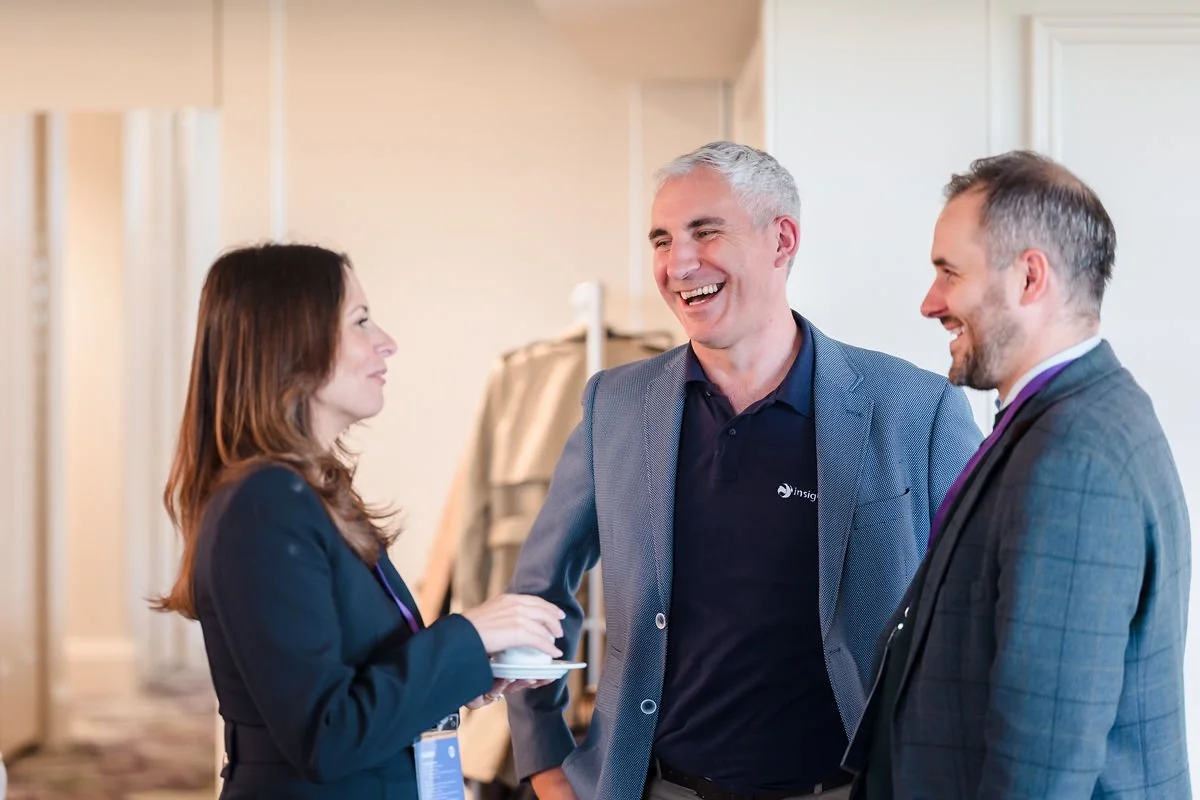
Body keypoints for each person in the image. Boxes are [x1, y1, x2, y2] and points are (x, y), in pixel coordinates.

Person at [505, 141, 983, 800]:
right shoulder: (613, 406)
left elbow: (981, 615)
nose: (678, 264)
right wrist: (543, 760)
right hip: (660, 790)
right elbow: (537, 597)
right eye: (662, 240)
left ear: (781, 240)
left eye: (706, 233)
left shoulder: (917, 410)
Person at [153, 243, 565, 798]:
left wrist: (469, 669)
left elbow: (354, 685)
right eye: (361, 321)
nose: (386, 343)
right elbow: (327, 734)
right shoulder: (264, 504)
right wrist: (472, 631)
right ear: (292, 342)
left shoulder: (304, 494)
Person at [843, 151, 1192, 799]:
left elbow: (1042, 770)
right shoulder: (1075, 412)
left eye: (949, 272)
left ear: (1030, 277)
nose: (930, 303)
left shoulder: (1073, 457)